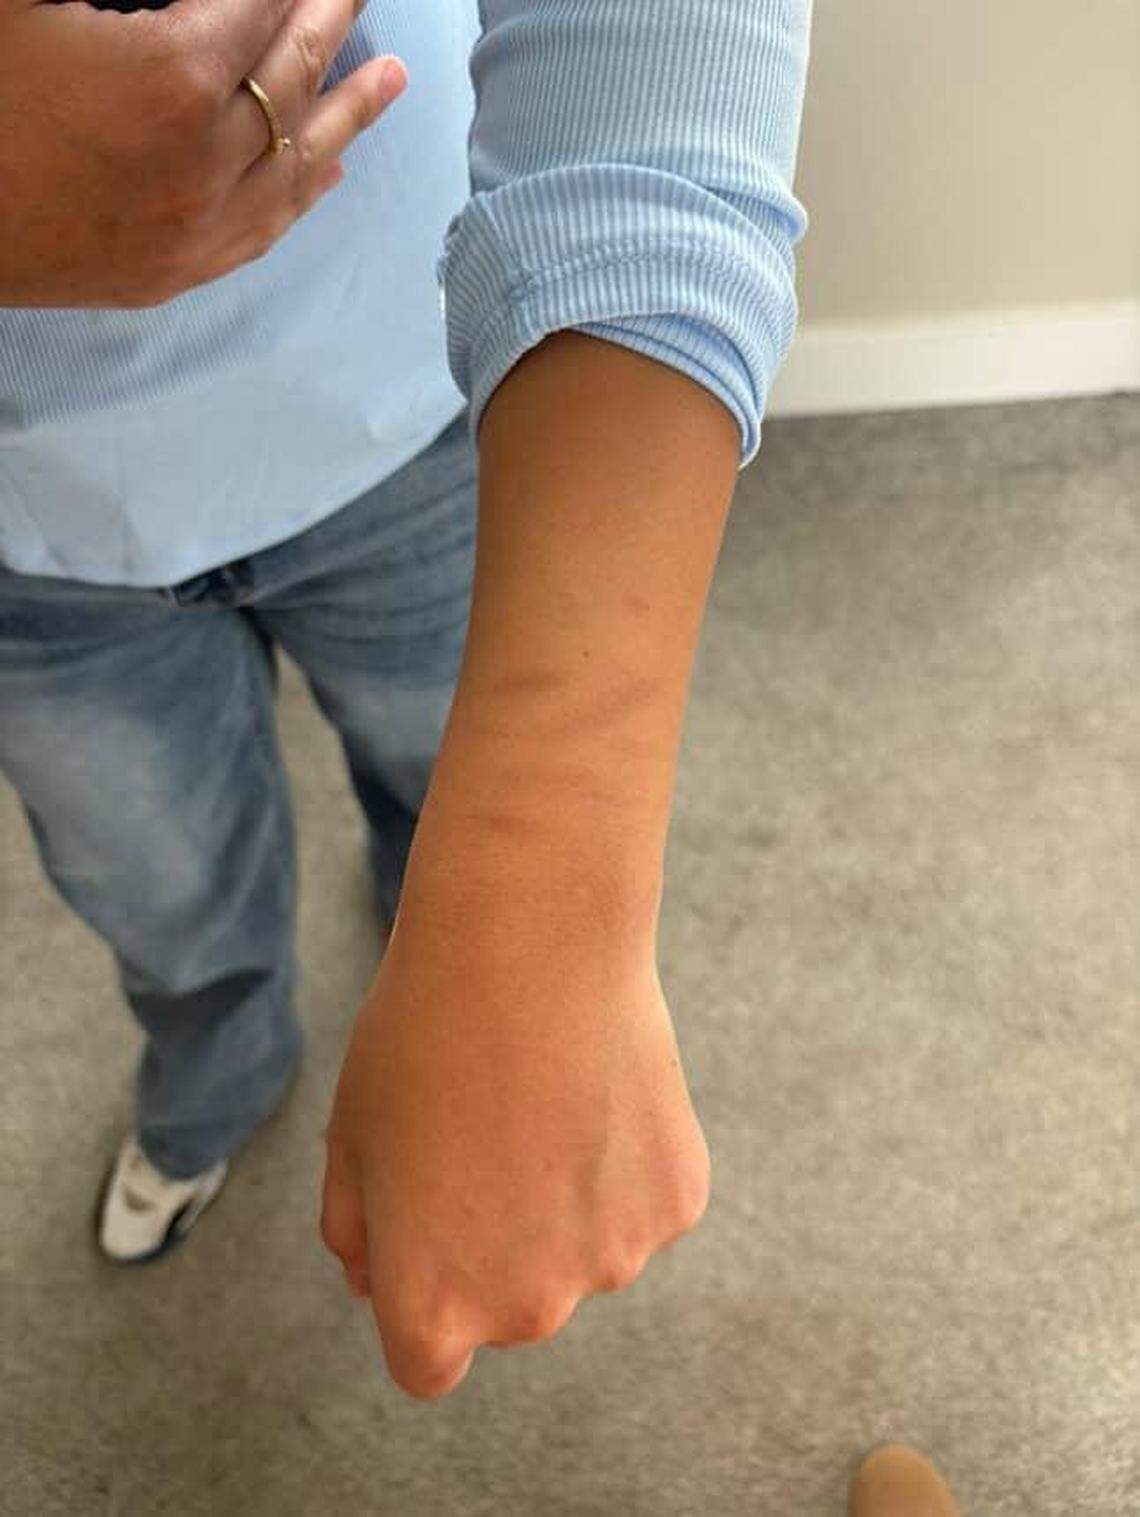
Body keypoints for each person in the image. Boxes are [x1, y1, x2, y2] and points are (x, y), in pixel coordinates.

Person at [9, 12, 947, 1495]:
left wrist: (532, 881)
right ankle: (216, 1078)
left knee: (432, 791)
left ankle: (412, 926)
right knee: (158, 884)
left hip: (418, 388)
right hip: (21, 544)